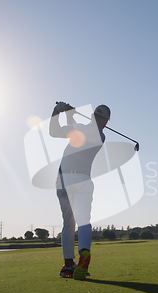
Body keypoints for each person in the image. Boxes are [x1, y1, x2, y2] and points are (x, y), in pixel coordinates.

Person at [49, 102, 111, 280]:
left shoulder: (82, 129)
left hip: (63, 180)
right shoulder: (100, 136)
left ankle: (68, 265)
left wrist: (58, 111)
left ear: (92, 116)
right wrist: (70, 115)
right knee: (83, 221)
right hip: (82, 180)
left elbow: (54, 131)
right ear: (106, 122)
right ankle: (84, 251)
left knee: (69, 224)